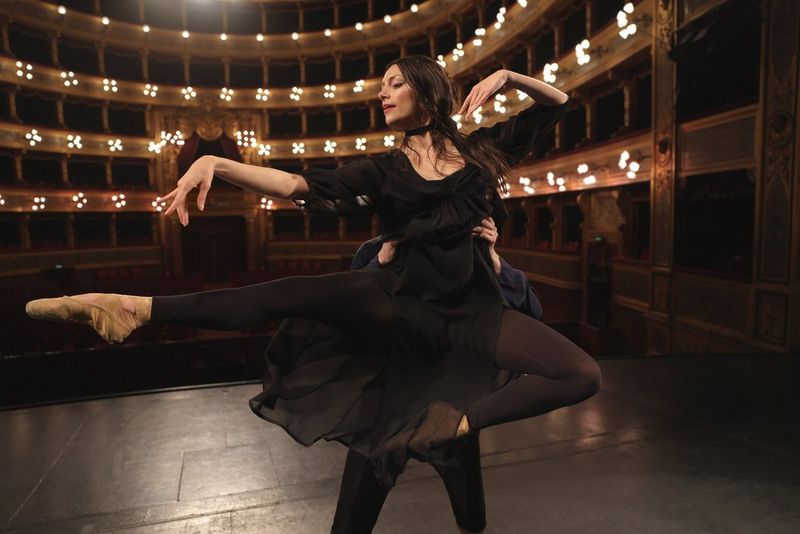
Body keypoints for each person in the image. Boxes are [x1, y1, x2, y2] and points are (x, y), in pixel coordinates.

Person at [26, 56, 601, 519]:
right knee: (293, 292)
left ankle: (457, 425)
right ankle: (133, 308)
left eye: (394, 84)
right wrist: (217, 165)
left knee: (580, 375)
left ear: (427, 92)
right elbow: (295, 183)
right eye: (381, 86)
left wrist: (508, 77)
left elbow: (559, 102)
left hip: (473, 314)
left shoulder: (481, 153)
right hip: (399, 303)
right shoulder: (383, 170)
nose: (382, 94)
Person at [333, 220, 542, 534]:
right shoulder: (374, 249)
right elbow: (348, 316)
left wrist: (495, 261)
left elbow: (532, 312)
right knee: (351, 519)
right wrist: (382, 259)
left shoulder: (469, 252)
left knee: (471, 513)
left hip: (450, 399)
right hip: (385, 402)